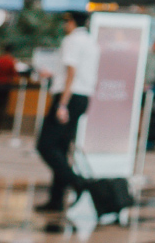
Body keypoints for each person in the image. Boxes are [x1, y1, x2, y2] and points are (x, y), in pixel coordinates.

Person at [35, 11, 98, 215]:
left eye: (66, 21)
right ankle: (56, 199)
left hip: (68, 97)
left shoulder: (71, 41)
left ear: (72, 22)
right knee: (61, 148)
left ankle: (77, 182)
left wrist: (62, 104)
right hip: (82, 97)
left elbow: (72, 72)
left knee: (45, 145)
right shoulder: (91, 42)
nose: (64, 25)